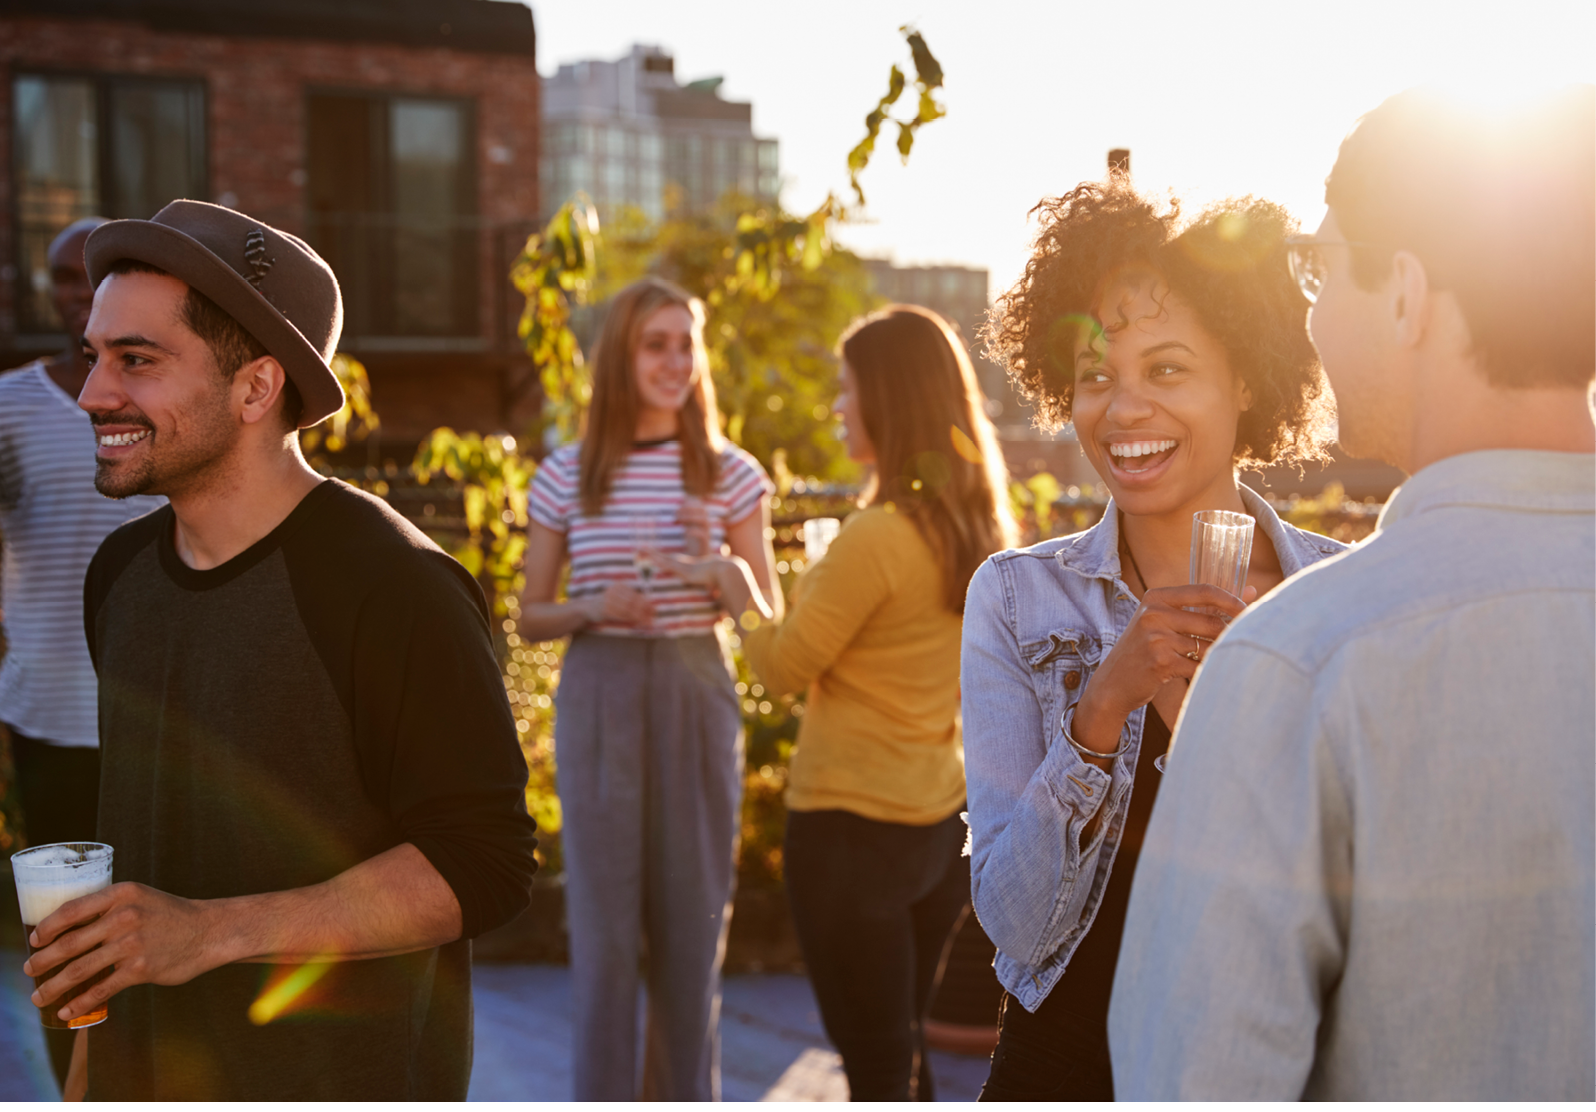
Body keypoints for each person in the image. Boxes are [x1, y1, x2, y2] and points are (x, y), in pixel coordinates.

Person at [1110, 86, 1596, 1100]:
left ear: (1408, 294)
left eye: (1320, 269)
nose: (1312, 313)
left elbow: (1194, 1080)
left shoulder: (1298, 664)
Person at [19, 200, 537, 1101]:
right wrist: (92, 1073)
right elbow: (140, 847)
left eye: (135, 360)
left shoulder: (396, 585)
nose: (94, 392)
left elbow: (482, 864)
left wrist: (210, 932)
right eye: (98, 355)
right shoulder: (121, 576)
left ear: (256, 388)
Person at [959, 179, 1348, 1100]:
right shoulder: (1016, 600)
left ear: (1246, 379)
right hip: (1065, 1072)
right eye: (1096, 375)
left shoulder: (1334, 596)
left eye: (1166, 370)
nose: (1122, 409)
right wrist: (1099, 712)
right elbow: (1012, 921)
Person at [669, 305, 1016, 1099]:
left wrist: (736, 585)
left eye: (846, 388)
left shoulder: (878, 536)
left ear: (886, 401)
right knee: (902, 1053)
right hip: (936, 828)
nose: (836, 405)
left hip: (850, 834)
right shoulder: (978, 528)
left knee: (874, 1061)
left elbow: (785, 666)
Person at [515, 276, 779, 1101]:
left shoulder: (732, 476)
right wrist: (592, 606)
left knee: (692, 925)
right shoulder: (566, 475)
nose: (673, 361)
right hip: (601, 688)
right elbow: (530, 617)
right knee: (602, 930)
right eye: (654, 344)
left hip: (696, 684)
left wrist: (722, 568)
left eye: (684, 344)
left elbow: (766, 616)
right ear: (622, 357)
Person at [0, 215, 164, 1087]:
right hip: (49, 716)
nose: (71, 296)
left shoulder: (166, 408)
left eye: (86, 282)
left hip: (164, 724)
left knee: (158, 935)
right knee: (65, 950)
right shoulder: (6, 408)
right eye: (59, 280)